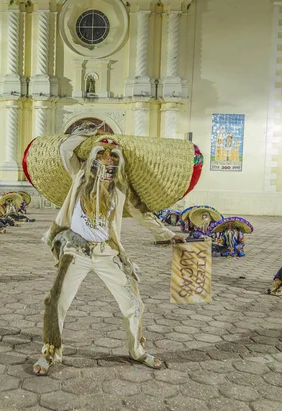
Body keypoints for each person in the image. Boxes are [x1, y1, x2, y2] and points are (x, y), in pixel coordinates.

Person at [32, 123, 187, 376]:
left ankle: (137, 351)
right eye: (101, 153)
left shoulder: (122, 188)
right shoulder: (80, 175)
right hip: (75, 250)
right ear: (93, 157)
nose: (107, 159)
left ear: (119, 161)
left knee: (134, 303)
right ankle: (50, 352)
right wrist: (89, 134)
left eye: (112, 155)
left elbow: (143, 214)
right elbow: (65, 149)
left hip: (107, 252)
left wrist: (169, 235)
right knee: (56, 301)